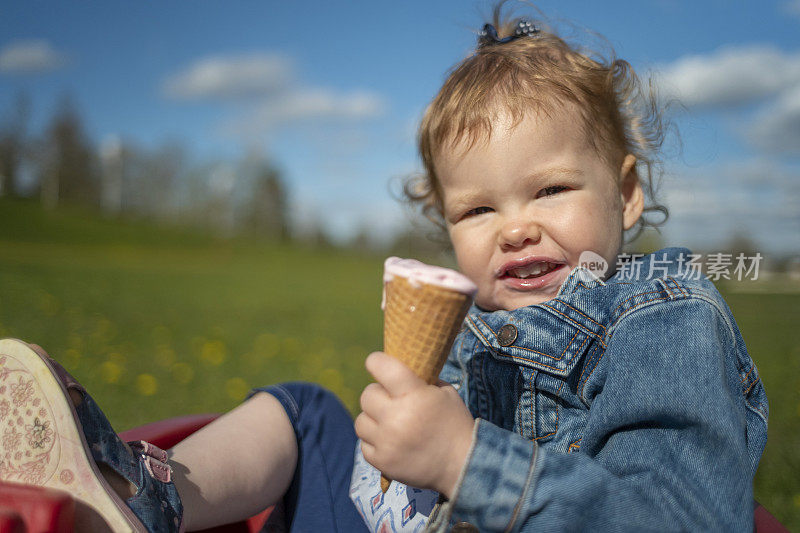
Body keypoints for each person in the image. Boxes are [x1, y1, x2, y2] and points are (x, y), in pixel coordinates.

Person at [0, 5, 768, 533]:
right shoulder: (478, 323)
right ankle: (141, 494)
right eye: (477, 211)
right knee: (304, 413)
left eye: (552, 189)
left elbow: (681, 515)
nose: (516, 227)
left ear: (627, 194)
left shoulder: (663, 316)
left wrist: (466, 458)